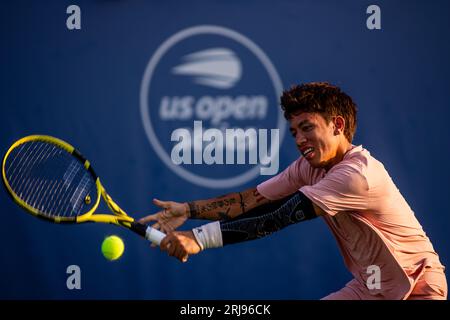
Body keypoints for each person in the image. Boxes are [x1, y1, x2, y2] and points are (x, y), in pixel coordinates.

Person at [139, 82, 447, 300]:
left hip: (417, 287)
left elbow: (278, 217)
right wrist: (188, 210)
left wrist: (198, 238)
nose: (299, 139)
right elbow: (252, 200)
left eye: (307, 127)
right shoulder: (307, 167)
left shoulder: (357, 174)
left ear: (337, 125)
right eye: (294, 132)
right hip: (369, 287)